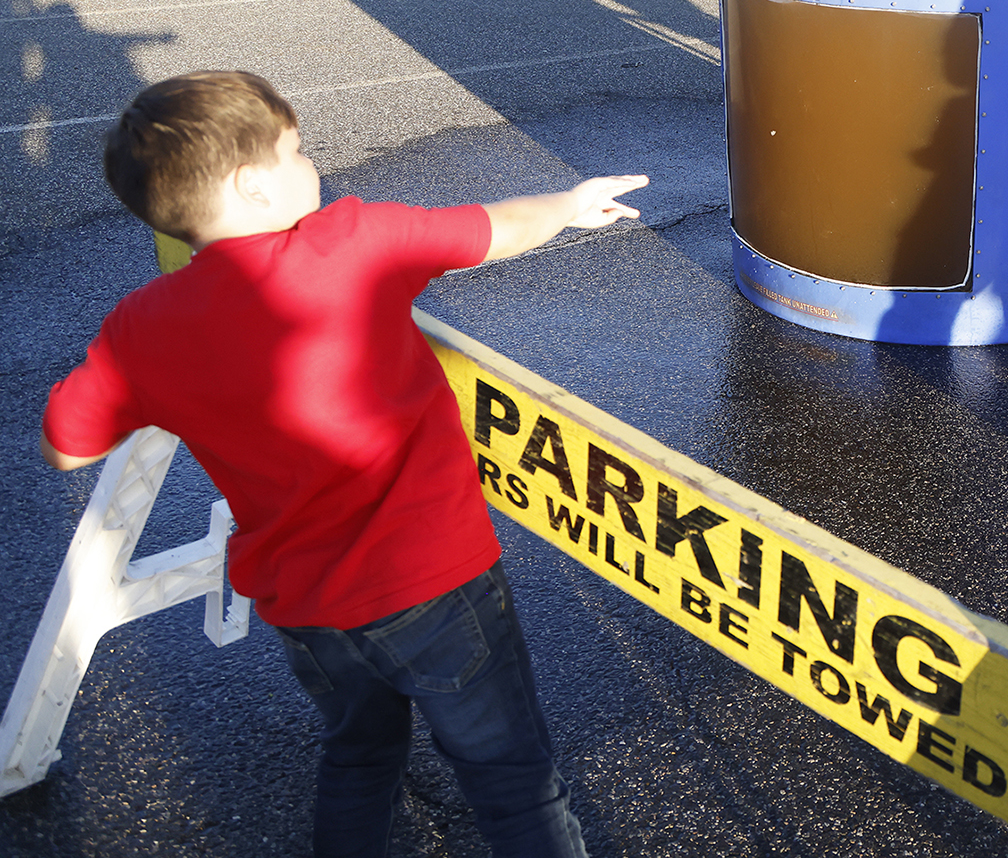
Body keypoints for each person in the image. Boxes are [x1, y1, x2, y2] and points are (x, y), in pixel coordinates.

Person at [41, 70, 646, 857]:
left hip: (305, 606)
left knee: (359, 759)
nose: (313, 167)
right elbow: (496, 226)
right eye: (298, 151)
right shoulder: (353, 242)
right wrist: (570, 205)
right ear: (253, 185)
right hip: (436, 586)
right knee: (512, 782)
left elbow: (67, 443)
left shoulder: (140, 328)